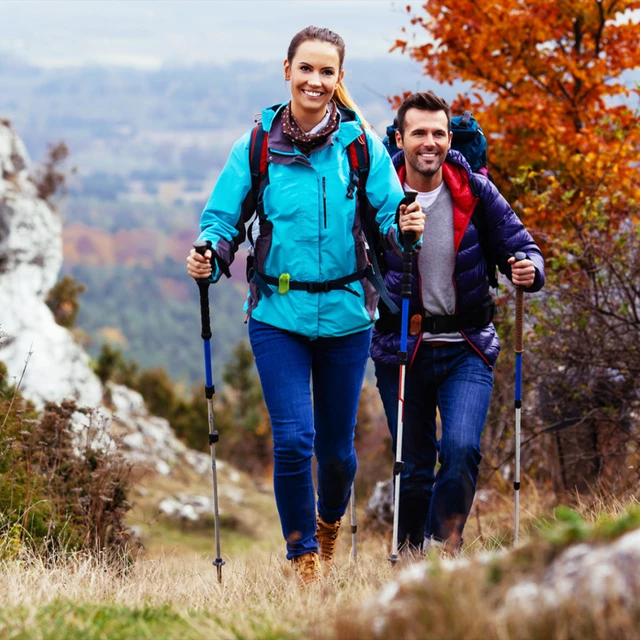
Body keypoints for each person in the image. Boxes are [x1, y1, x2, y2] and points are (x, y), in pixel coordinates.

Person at [186, 26, 424, 584]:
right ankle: (302, 559)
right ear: (287, 70)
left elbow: (390, 216)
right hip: (278, 315)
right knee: (294, 439)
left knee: (337, 454)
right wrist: (210, 256)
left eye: (327, 72)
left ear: (339, 79)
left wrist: (405, 228)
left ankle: (328, 523)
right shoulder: (258, 145)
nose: (315, 80)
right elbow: (223, 220)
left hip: (346, 315)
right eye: (306, 69)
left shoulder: (360, 144)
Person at [371, 91, 545, 554]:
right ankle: (408, 560)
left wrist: (528, 268)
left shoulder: (474, 189)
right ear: (401, 138)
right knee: (412, 464)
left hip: (466, 345)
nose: (429, 142)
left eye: (438, 133)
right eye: (419, 133)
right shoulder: (380, 193)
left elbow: (521, 244)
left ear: (450, 138)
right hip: (400, 349)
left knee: (462, 450)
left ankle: (442, 549)